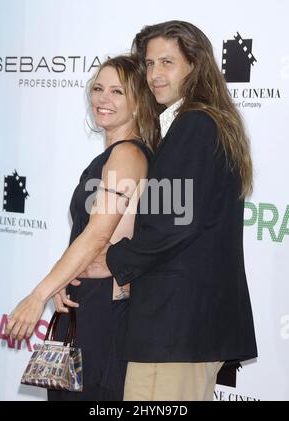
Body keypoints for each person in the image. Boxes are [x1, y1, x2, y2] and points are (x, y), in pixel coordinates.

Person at [85, 21, 258, 401]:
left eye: (167, 62)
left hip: (174, 329)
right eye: (149, 64)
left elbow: (171, 224)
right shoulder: (203, 122)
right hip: (185, 329)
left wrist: (113, 258)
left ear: (194, 65)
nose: (155, 75)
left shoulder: (194, 124)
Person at [5, 55, 158, 400]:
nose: (103, 99)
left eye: (117, 92)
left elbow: (99, 235)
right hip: (81, 302)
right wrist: (60, 280)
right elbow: (85, 233)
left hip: (104, 306)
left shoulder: (128, 156)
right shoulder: (111, 156)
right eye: (98, 89)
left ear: (138, 103)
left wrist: (38, 295)